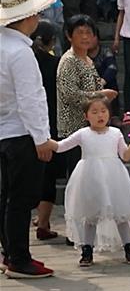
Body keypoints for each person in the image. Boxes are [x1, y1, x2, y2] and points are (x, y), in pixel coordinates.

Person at [0, 0, 56, 279]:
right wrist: (42, 138)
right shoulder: (20, 52)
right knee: (21, 199)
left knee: (7, 196)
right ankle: (19, 258)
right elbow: (30, 99)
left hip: (5, 131)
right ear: (28, 17)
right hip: (22, 133)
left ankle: (10, 252)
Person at [49, 96, 130, 265]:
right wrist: (43, 140)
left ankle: (129, 246)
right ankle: (87, 249)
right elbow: (61, 146)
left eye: (104, 111)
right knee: (90, 215)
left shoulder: (115, 133)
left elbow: (126, 155)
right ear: (86, 116)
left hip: (114, 178)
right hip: (89, 178)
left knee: (120, 214)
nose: (100, 115)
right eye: (95, 112)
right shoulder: (83, 134)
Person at [56, 16, 116, 179]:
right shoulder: (69, 61)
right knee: (79, 178)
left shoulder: (87, 59)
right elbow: (70, 94)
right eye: (80, 33)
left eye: (88, 33)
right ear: (69, 36)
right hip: (74, 129)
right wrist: (100, 95)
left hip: (90, 127)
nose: (85, 37)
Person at [30, 22, 64, 241]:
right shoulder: (56, 64)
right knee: (49, 176)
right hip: (51, 123)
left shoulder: (25, 60)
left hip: (23, 126)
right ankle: (43, 222)